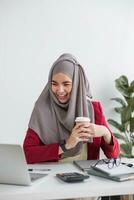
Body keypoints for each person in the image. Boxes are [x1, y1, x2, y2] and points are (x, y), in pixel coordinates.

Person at [23, 53, 120, 200]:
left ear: (77, 84)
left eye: (66, 84)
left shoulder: (93, 110)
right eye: (54, 83)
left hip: (87, 188)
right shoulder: (42, 109)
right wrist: (66, 145)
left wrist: (105, 132)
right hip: (52, 188)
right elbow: (27, 154)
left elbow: (114, 156)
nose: (59, 90)